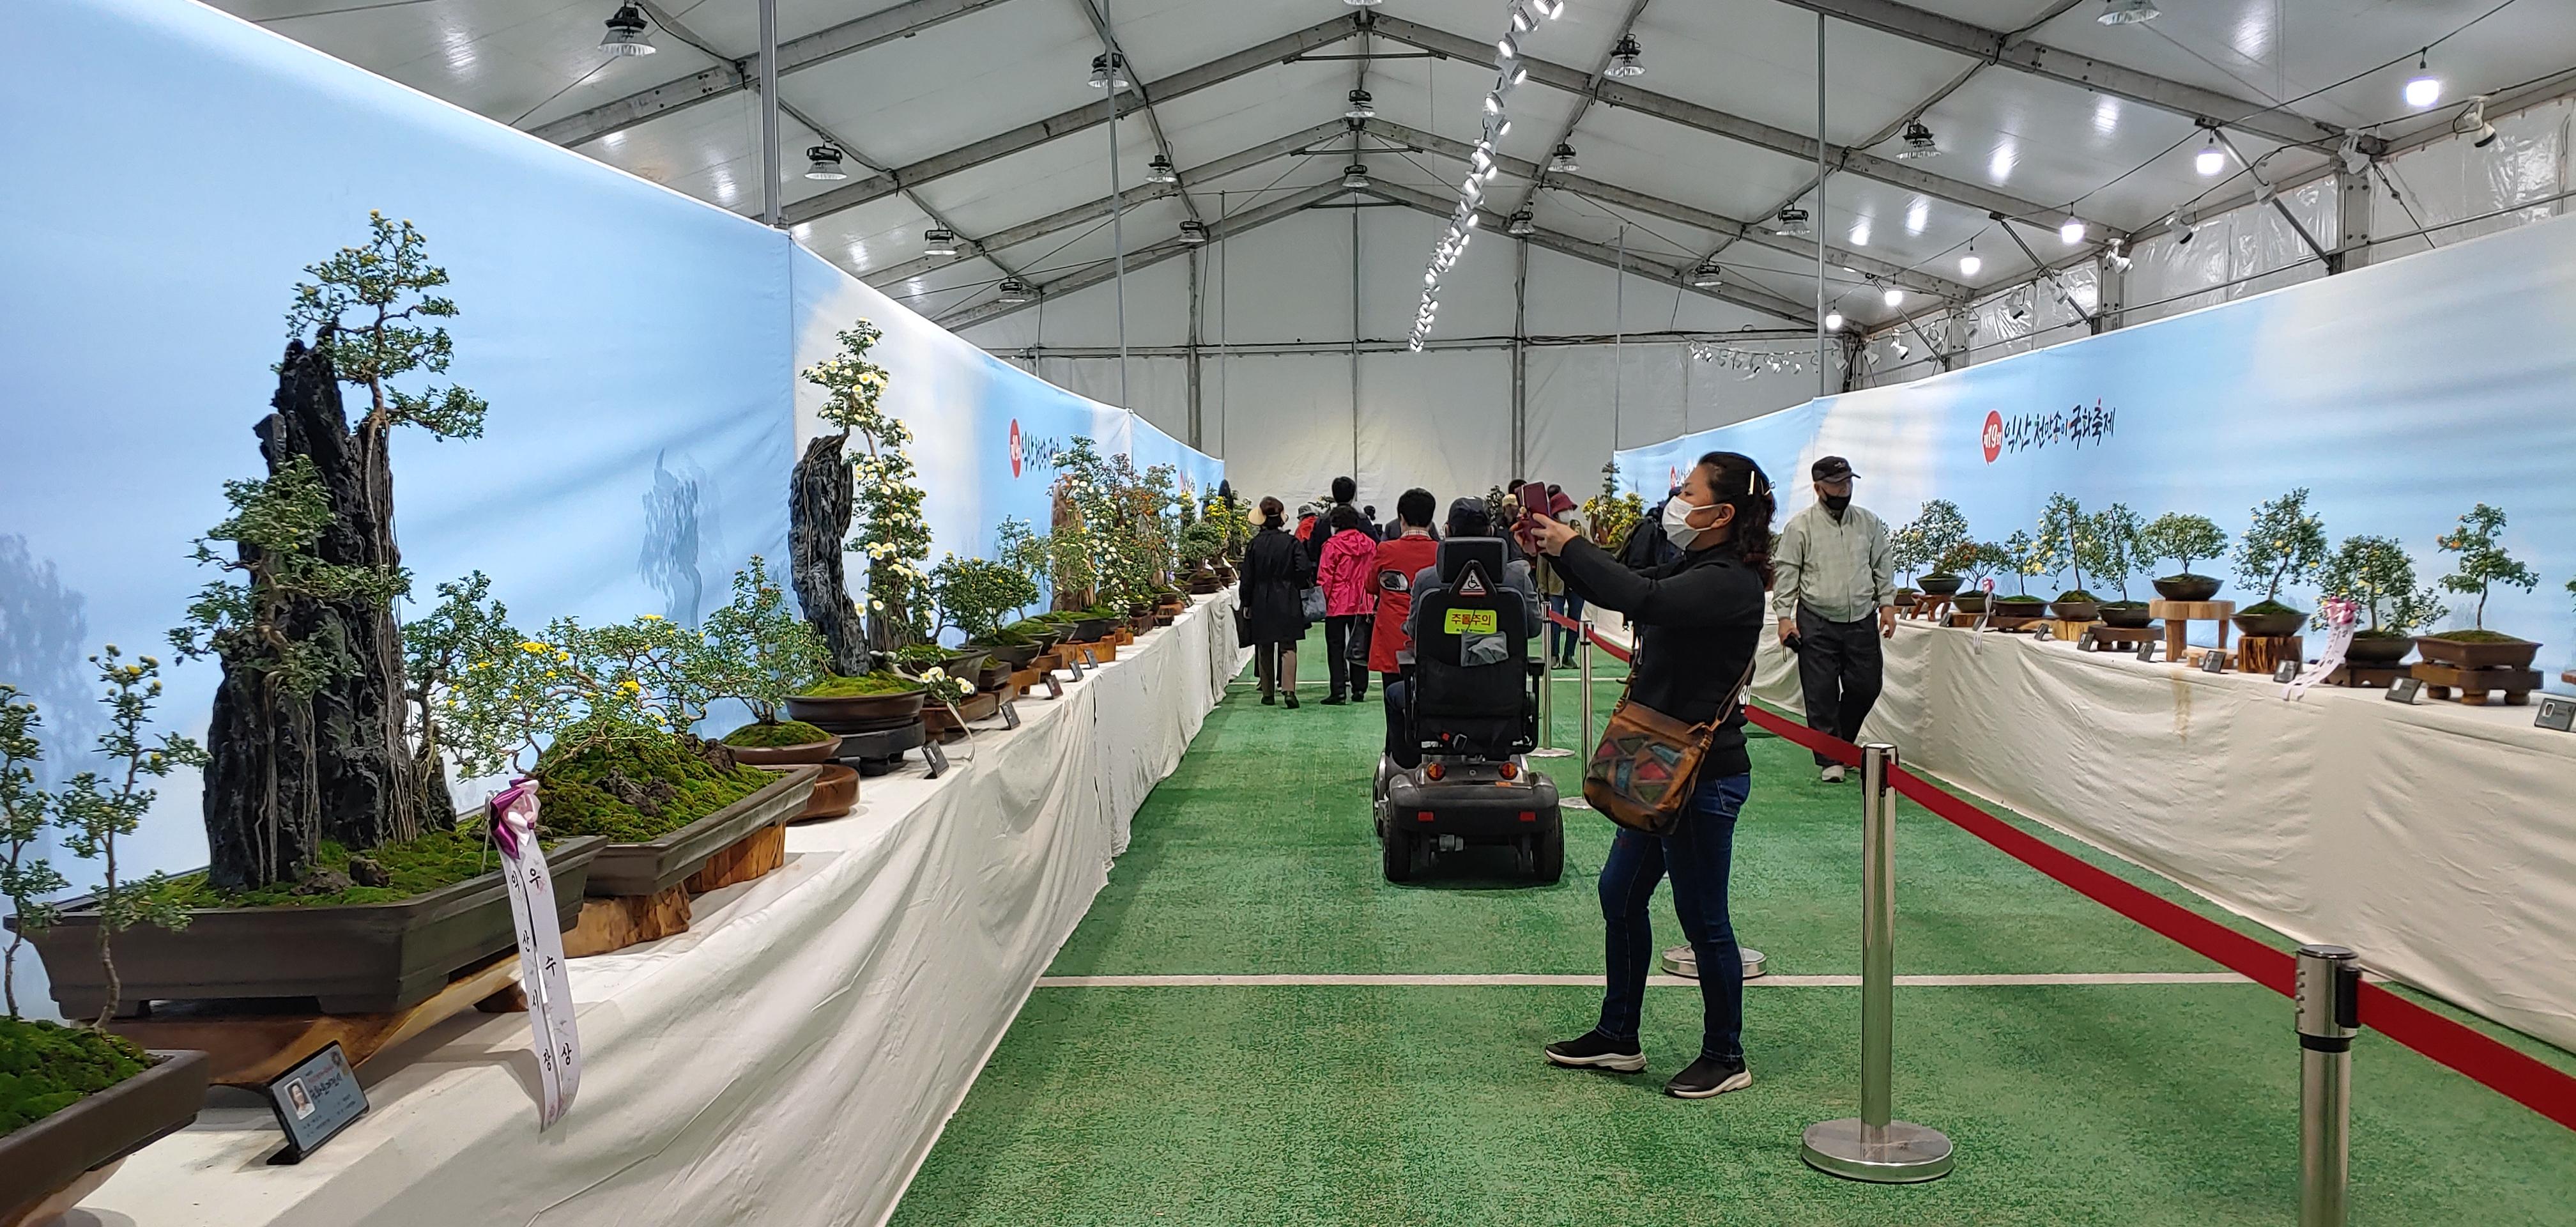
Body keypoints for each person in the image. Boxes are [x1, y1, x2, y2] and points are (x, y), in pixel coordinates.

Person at [1525, 451, 1775, 1100]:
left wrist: (1571, 545)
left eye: (1688, 491)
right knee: (1620, 893)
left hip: (1700, 776)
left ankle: (1725, 1054)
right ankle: (1618, 1035)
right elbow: (1627, 585)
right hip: (1658, 762)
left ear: (1723, 513)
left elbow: (1642, 596)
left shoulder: (1730, 582)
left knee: (1704, 920)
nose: (1675, 500)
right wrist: (1557, 551)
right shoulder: (1696, 567)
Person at [1769, 456, 1895, 784]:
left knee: (1867, 686)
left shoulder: (1869, 522)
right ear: (1818, 488)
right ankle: (1830, 758)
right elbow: (1787, 572)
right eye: (1837, 484)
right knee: (1820, 692)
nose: (1844, 489)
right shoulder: (1800, 526)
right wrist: (1784, 617)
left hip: (1862, 618)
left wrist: (1887, 604)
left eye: (1848, 483)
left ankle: (1840, 745)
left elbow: (1882, 564)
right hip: (1817, 618)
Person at [1368, 488, 1441, 762]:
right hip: (1435, 640)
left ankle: (1399, 759)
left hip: (1393, 637)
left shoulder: (1386, 550)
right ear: (1431, 519)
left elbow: (1371, 585)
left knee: (1395, 702)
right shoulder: (1442, 552)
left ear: (1401, 518)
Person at [1242, 496, 1314, 708]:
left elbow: (1247, 578)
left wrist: (1246, 603)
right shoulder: (1291, 542)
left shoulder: (1254, 545)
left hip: (1260, 599)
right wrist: (1295, 584)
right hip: (1288, 597)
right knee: (1288, 646)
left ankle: (1267, 693)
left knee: (1264, 646)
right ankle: (1289, 690)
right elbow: (1304, 569)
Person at [1315, 504, 1379, 705]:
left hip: (1338, 600)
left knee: (1335, 647)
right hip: (1363, 601)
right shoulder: (1369, 544)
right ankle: (1359, 689)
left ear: (1335, 523)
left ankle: (1339, 690)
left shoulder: (1332, 545)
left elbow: (1325, 577)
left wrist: (1323, 601)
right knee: (1360, 645)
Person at [1539, 505, 1586, 668]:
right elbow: (1543, 561)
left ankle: (1569, 656)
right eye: (1564, 509)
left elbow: (1590, 552)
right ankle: (1554, 655)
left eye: (1570, 509)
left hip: (1577, 585)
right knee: (1555, 621)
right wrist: (1542, 586)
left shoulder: (1580, 529)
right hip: (1555, 585)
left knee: (1575, 621)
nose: (1568, 512)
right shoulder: (1549, 531)